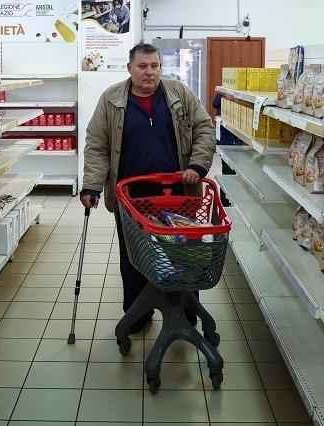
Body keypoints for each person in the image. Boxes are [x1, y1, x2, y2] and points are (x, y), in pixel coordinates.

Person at [80, 43, 216, 333]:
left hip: (179, 194)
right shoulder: (112, 99)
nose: (150, 72)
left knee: (183, 254)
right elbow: (97, 145)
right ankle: (138, 314)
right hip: (132, 198)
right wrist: (91, 185)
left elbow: (205, 127)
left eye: (154, 66)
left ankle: (185, 313)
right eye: (143, 66)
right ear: (130, 68)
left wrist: (198, 166)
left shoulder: (179, 93)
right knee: (134, 258)